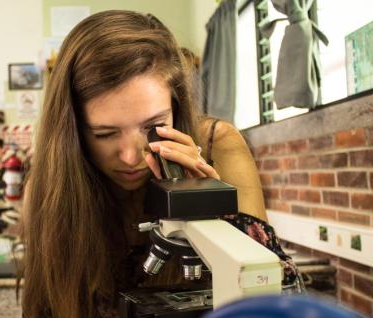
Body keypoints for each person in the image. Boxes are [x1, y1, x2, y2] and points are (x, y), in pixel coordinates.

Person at [22, 10, 299, 318]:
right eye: (104, 134)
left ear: (176, 106)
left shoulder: (218, 145)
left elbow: (277, 293)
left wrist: (216, 214)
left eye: (152, 126)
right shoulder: (46, 187)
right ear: (72, 129)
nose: (130, 157)